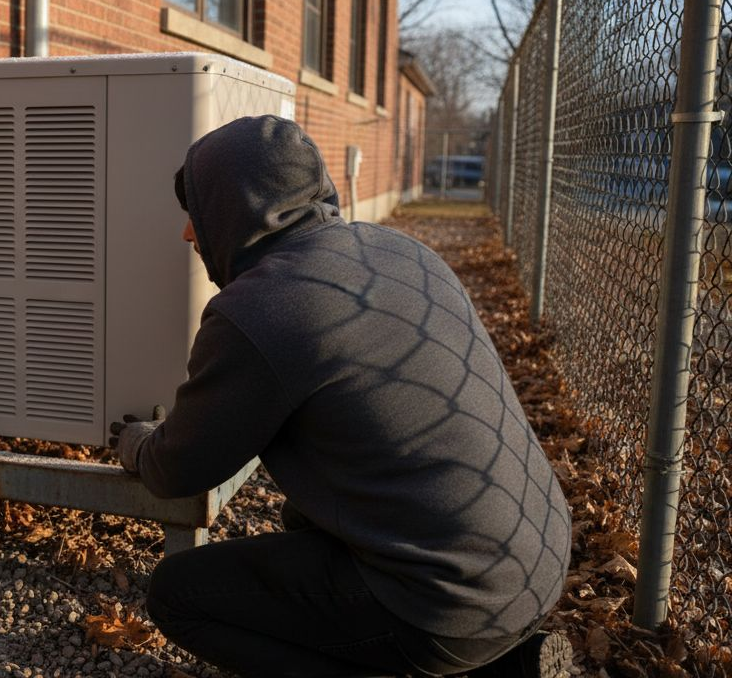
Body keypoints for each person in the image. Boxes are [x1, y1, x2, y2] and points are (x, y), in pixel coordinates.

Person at [111, 116, 573, 678]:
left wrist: (137, 443)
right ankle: (502, 664)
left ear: (235, 208)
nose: (189, 234)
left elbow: (177, 469)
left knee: (178, 595)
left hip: (448, 605)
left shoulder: (260, 309)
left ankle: (438, 658)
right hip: (538, 559)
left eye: (199, 212)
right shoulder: (404, 252)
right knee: (302, 516)